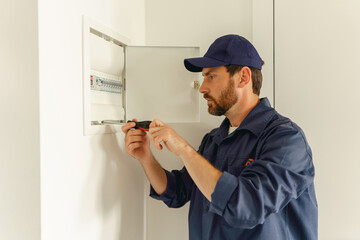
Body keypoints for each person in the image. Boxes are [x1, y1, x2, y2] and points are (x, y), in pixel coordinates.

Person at [121, 34, 318, 240]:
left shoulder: (286, 139)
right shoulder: (213, 140)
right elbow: (178, 192)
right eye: (203, 77)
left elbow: (247, 207)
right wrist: (145, 157)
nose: (203, 88)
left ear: (243, 77)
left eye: (211, 76)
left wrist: (184, 149)